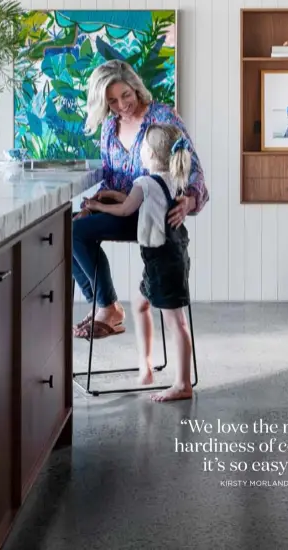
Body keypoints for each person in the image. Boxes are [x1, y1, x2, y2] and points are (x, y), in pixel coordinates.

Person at [73, 59, 208, 339]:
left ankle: (106, 307)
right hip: (124, 208)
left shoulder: (162, 116)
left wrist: (190, 202)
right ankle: (104, 304)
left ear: (136, 88)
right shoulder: (110, 128)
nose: (122, 105)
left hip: (155, 217)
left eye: (125, 95)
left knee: (75, 232)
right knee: (67, 229)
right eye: (112, 101)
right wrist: (95, 206)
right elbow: (112, 181)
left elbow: (193, 170)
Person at [85, 123, 193, 401]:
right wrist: (116, 197)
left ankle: (183, 385)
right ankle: (145, 364)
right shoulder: (174, 179)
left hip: (161, 260)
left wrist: (97, 206)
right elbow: (140, 202)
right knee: (141, 303)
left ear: (150, 154)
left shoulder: (144, 183)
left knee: (176, 323)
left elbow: (125, 209)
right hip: (172, 255)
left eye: (142, 146)